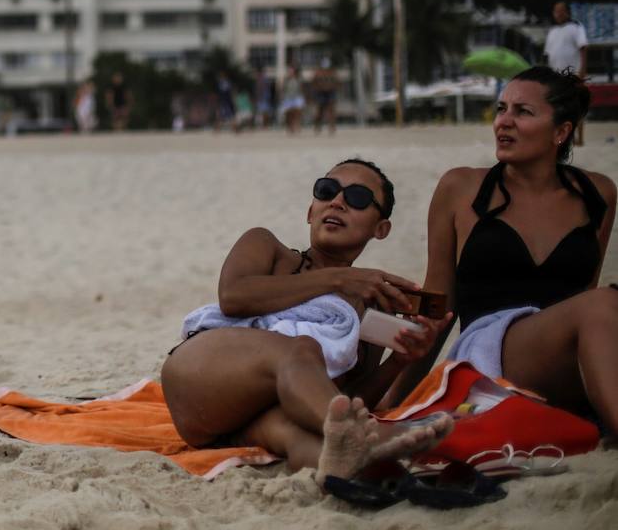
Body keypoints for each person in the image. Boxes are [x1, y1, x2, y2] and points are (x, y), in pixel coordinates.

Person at [161, 159, 453, 483]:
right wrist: (339, 279)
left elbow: (349, 400)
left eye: (356, 197)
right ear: (310, 212)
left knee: (299, 437)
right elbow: (234, 295)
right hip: (201, 379)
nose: (337, 202)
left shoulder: (367, 304)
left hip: (242, 418)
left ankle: (359, 470)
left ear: (380, 229)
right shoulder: (267, 247)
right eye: (326, 191)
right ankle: (368, 437)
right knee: (301, 350)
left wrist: (398, 362)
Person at [395, 67, 616, 432]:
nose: (503, 122)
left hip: (565, 362)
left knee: (603, 306)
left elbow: (584, 297)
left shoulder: (598, 194)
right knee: (605, 303)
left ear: (561, 132)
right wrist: (394, 401)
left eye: (522, 112)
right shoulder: (461, 187)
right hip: (488, 360)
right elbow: (437, 306)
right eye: (501, 109)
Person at [544, 1, 588, 147]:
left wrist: (582, 71)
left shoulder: (576, 27)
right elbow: (547, 55)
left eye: (561, 11)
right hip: (555, 76)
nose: (558, 14)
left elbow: (583, 48)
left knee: (576, 105)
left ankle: (579, 139)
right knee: (557, 108)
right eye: (555, 11)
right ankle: (565, 138)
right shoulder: (552, 31)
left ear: (567, 12)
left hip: (573, 74)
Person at [311, 59, 338, 136]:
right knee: (320, 111)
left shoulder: (332, 73)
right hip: (321, 93)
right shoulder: (318, 73)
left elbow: (337, 82)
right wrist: (318, 89)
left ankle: (332, 127)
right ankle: (317, 126)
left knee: (331, 111)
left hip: (330, 93)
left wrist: (332, 87)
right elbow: (313, 83)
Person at [279, 64, 304, 135]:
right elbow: (282, 89)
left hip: (297, 97)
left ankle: (297, 125)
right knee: (289, 114)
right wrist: (281, 97)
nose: (290, 72)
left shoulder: (298, 79)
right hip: (288, 98)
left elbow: (301, 89)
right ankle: (290, 127)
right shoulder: (286, 80)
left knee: (297, 112)